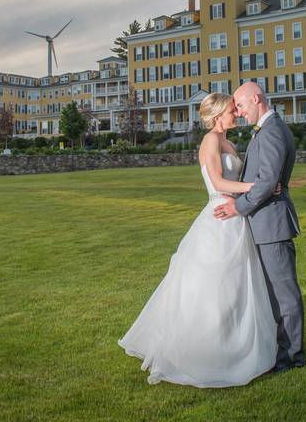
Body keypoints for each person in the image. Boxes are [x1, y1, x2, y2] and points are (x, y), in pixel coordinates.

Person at [118, 92, 277, 387]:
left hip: (235, 216)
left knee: (237, 285)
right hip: (219, 214)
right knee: (215, 285)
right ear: (218, 116)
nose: (237, 113)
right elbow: (217, 181)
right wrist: (258, 186)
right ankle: (207, 347)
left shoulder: (228, 141)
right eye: (232, 110)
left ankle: (233, 340)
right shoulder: (211, 141)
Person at [213, 82, 305, 372]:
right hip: (264, 222)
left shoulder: (273, 131)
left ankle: (291, 358)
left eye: (240, 105)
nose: (238, 112)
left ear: (256, 99)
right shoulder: (267, 130)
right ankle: (278, 351)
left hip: (272, 224)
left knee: (284, 296)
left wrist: (237, 206)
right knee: (273, 294)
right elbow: (266, 181)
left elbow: (267, 182)